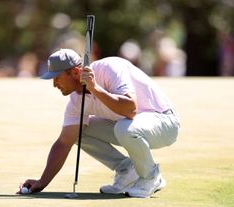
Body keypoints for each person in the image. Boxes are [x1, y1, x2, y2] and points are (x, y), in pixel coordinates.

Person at [18, 49, 180, 198]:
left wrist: (94, 88)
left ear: (75, 72)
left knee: (124, 128)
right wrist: (41, 182)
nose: (54, 84)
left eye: (57, 78)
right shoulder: (76, 102)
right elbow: (64, 142)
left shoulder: (110, 67)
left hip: (164, 122)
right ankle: (127, 170)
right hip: (129, 126)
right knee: (80, 131)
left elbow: (130, 109)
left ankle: (151, 177)